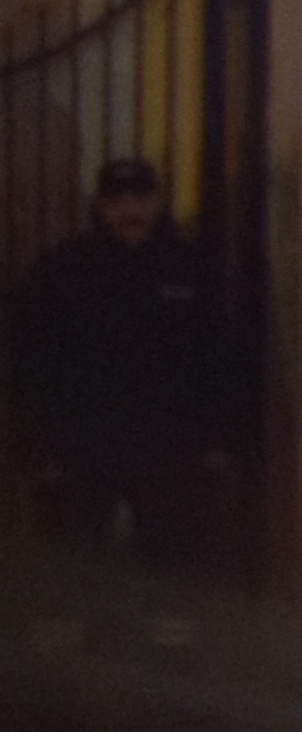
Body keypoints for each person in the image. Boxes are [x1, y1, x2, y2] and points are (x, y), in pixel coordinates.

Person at [9, 154, 245, 570]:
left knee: (172, 566)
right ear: (100, 205)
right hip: (82, 446)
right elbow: (30, 360)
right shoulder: (64, 270)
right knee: (75, 565)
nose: (130, 210)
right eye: (118, 199)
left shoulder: (188, 267)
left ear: (156, 202)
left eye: (140, 198)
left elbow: (217, 357)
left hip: (166, 446)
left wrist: (215, 438)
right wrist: (39, 444)